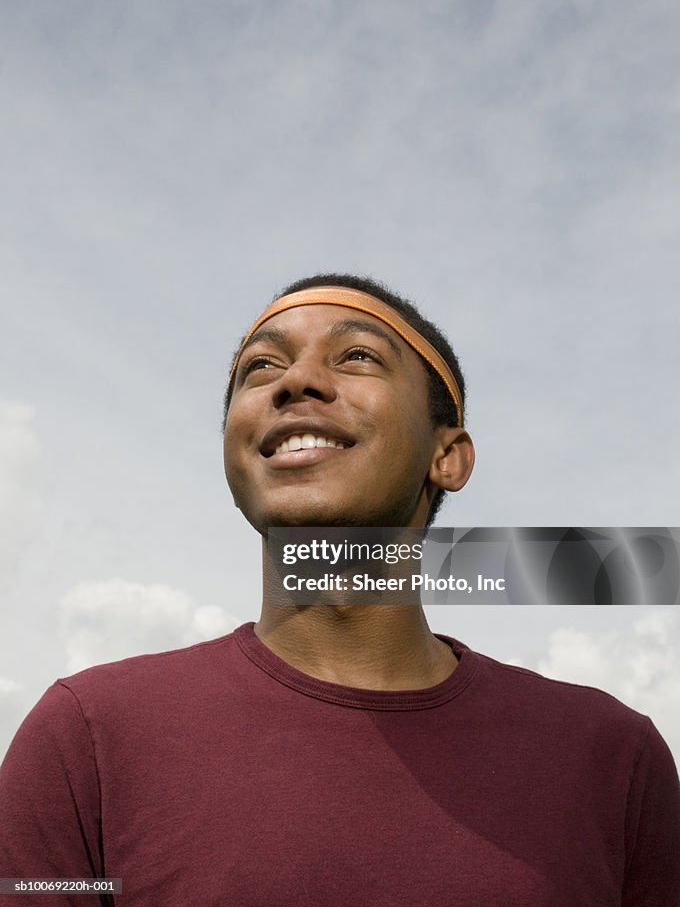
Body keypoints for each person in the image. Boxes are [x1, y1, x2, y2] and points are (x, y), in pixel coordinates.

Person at [1, 272, 678, 906]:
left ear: (448, 455)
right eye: (260, 368)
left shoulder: (613, 757)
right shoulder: (87, 738)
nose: (295, 381)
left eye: (356, 357)